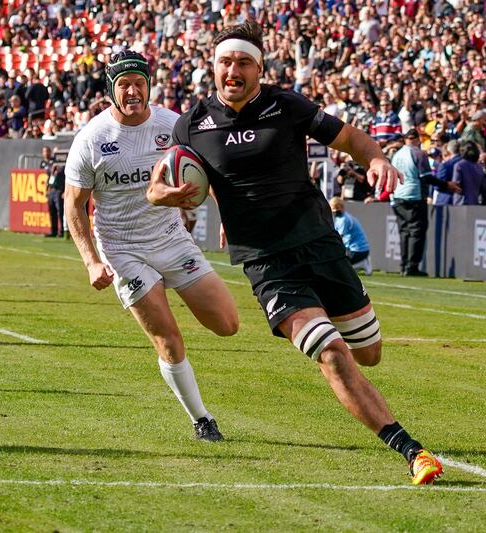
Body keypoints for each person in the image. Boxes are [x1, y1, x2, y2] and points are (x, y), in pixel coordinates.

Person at [148, 21, 442, 484]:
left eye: (244, 62)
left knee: (368, 353)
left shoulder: (288, 106)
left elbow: (350, 139)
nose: (233, 70)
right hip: (266, 262)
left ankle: (364, 370)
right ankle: (411, 450)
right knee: (332, 353)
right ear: (213, 67)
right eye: (226, 61)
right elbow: (160, 181)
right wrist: (161, 196)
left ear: (259, 69)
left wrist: (378, 159)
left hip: (318, 243)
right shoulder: (192, 124)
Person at [64, 51, 239, 442]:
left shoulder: (172, 125)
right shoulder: (92, 139)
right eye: (123, 85)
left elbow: (211, 173)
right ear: (111, 90)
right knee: (169, 338)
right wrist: (91, 261)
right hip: (123, 249)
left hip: (172, 239)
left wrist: (226, 214)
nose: (132, 91)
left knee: (227, 324)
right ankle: (201, 418)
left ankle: (175, 292)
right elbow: (73, 205)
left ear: (149, 85)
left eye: (139, 83)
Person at [391, 128, 460, 277]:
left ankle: (403, 265)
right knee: (416, 231)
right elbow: (427, 177)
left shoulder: (397, 154)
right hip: (414, 196)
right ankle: (412, 266)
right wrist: (447, 185)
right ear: (417, 139)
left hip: (398, 196)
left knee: (404, 232)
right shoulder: (418, 153)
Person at [329, 197, 372, 275]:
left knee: (340, 266)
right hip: (358, 250)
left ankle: (361, 264)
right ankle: (362, 263)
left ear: (341, 207)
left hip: (358, 251)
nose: (334, 211)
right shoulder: (341, 218)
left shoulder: (344, 219)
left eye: (337, 208)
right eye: (333, 208)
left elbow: (338, 238)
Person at [40, 146, 65, 237]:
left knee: (60, 211)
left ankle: (62, 231)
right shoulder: (51, 164)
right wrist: (47, 189)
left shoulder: (61, 165)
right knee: (52, 211)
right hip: (51, 189)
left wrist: (63, 190)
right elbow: (49, 176)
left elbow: (63, 177)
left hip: (59, 189)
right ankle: (53, 231)